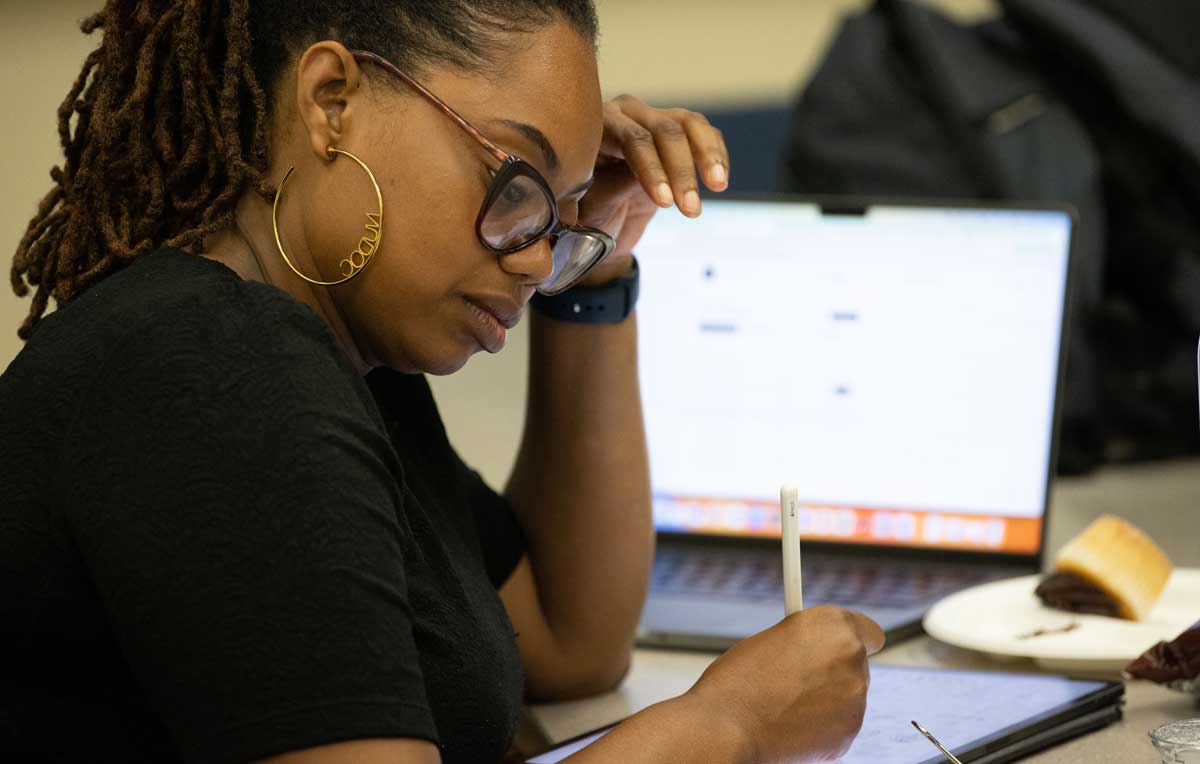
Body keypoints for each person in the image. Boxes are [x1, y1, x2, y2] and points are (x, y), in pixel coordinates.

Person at [0, 2, 883, 763]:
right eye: (515, 179)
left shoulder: (338, 348)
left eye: (562, 216)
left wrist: (602, 264)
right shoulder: (216, 370)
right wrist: (733, 728)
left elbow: (572, 643)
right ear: (331, 102)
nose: (539, 260)